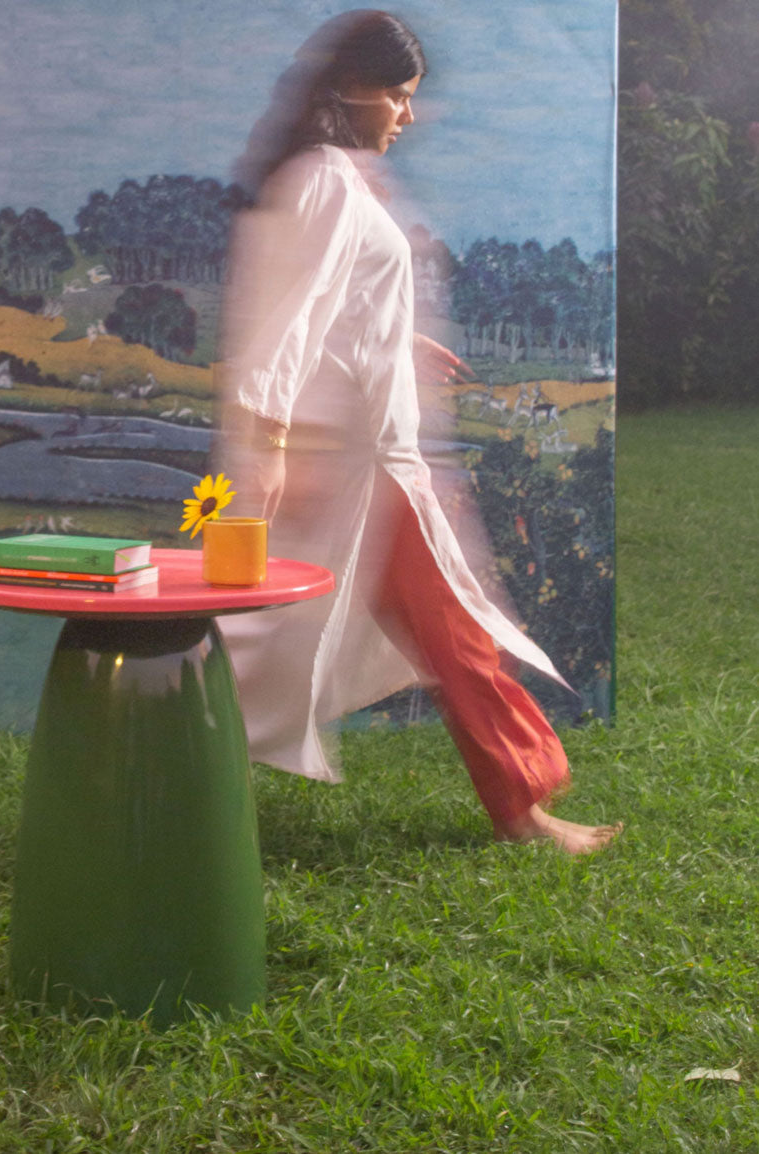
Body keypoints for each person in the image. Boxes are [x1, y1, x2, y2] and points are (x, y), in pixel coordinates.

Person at [216, 10, 622, 854]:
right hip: (360, 465)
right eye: (399, 97)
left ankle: (166, 751)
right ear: (351, 89)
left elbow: (336, 305)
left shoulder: (330, 174)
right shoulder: (326, 177)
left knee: (273, 640)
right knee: (454, 634)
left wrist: (402, 340)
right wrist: (279, 445)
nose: (408, 115)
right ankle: (524, 815)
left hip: (367, 458)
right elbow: (287, 323)